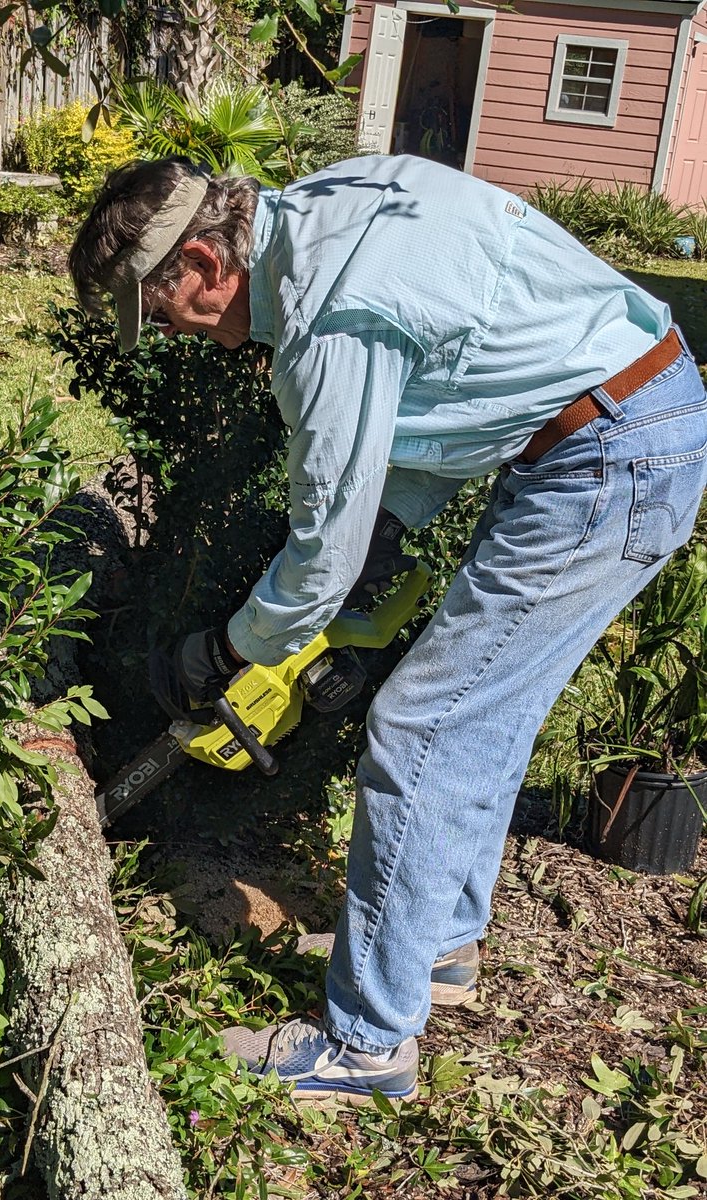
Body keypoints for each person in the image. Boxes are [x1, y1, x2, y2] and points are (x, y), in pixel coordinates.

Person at [69, 154, 707, 1105]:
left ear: (206, 260)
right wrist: (390, 524)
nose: (182, 337)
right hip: (615, 424)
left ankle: (367, 1045)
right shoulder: (338, 205)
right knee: (477, 718)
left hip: (606, 455)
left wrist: (231, 651)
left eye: (167, 314)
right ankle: (436, 946)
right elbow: (452, 385)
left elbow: (321, 557)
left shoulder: (328, 320)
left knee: (425, 726)